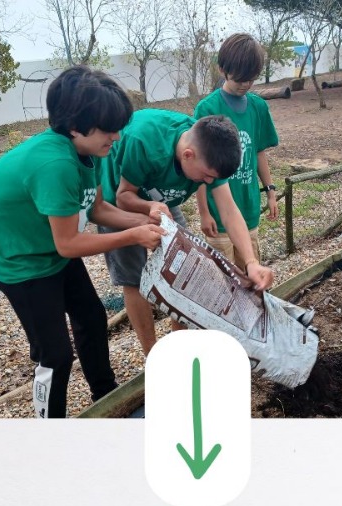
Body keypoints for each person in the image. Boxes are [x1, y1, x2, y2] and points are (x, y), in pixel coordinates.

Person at [0, 66, 165, 418]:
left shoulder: (87, 151)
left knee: (92, 318)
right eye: (110, 130)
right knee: (56, 354)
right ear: (76, 127)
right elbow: (68, 244)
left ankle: (105, 396)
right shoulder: (55, 164)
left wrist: (143, 220)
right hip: (18, 261)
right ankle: (51, 426)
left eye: (119, 128)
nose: (118, 137)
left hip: (48, 245)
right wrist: (134, 235)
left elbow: (95, 209)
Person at [98, 108, 276, 354]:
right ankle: (153, 354)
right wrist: (150, 206)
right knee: (133, 279)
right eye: (206, 177)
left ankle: (177, 345)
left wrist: (251, 262)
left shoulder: (211, 152)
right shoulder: (144, 142)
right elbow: (123, 196)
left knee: (184, 268)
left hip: (163, 202)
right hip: (119, 203)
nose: (209, 183)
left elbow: (228, 210)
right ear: (188, 155)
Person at [195, 34, 282, 271]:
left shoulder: (258, 107)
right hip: (218, 214)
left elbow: (259, 151)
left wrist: (270, 190)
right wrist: (204, 212)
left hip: (248, 208)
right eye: (239, 78)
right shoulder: (207, 108)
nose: (245, 84)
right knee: (222, 279)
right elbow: (198, 168)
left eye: (251, 79)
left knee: (250, 272)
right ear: (223, 69)